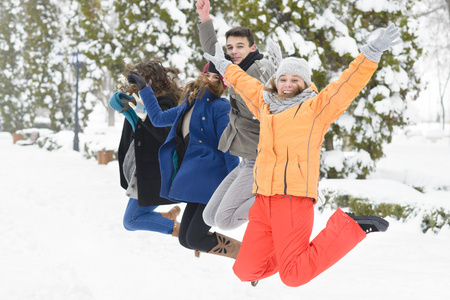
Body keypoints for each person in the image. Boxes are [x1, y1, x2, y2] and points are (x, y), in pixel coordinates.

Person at [204, 23, 400, 286]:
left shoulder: (315, 109)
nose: (287, 84)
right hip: (262, 201)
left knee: (293, 277)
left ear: (305, 84)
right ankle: (288, 259)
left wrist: (372, 52)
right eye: (283, 79)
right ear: (276, 81)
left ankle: (351, 226)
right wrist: (226, 66)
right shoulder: (265, 104)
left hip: (293, 200)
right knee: (245, 271)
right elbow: (245, 83)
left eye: (295, 80)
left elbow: (346, 86)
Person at [127, 63, 241, 259]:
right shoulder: (190, 104)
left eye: (217, 78)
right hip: (196, 181)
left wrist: (234, 186)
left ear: (224, 84)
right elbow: (158, 118)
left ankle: (247, 254)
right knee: (185, 240)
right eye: (208, 75)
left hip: (214, 184)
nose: (210, 80)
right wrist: (145, 89)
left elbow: (228, 148)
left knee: (194, 239)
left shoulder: (221, 106)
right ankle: (245, 254)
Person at [196, 0, 272, 230]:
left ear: (253, 48)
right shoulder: (233, 68)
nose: (234, 51)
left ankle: (274, 201)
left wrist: (236, 85)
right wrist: (204, 17)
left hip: (261, 159)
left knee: (225, 221)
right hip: (245, 158)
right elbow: (212, 51)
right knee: (209, 217)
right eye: (230, 47)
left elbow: (262, 109)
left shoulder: (260, 69)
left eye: (240, 46)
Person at [109, 60, 182, 237]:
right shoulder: (140, 101)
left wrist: (146, 115)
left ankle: (181, 231)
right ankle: (168, 219)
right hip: (143, 172)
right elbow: (116, 103)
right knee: (135, 218)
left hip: (156, 174)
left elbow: (165, 136)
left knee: (131, 220)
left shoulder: (167, 103)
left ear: (151, 82)